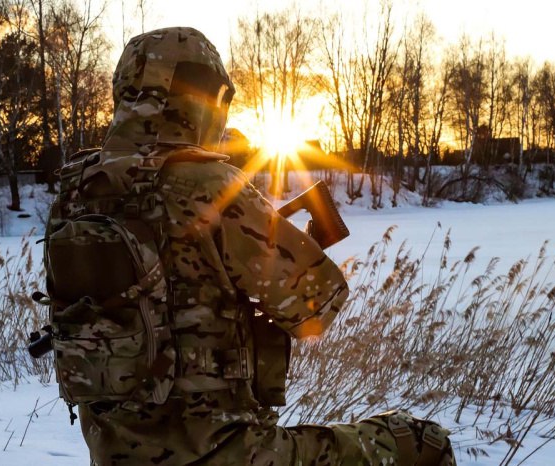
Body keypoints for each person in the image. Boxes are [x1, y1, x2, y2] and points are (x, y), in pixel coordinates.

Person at [48, 26, 456, 466]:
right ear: (203, 95)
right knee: (420, 443)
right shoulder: (207, 184)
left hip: (117, 456)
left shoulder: (73, 195)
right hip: (228, 452)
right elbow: (315, 309)